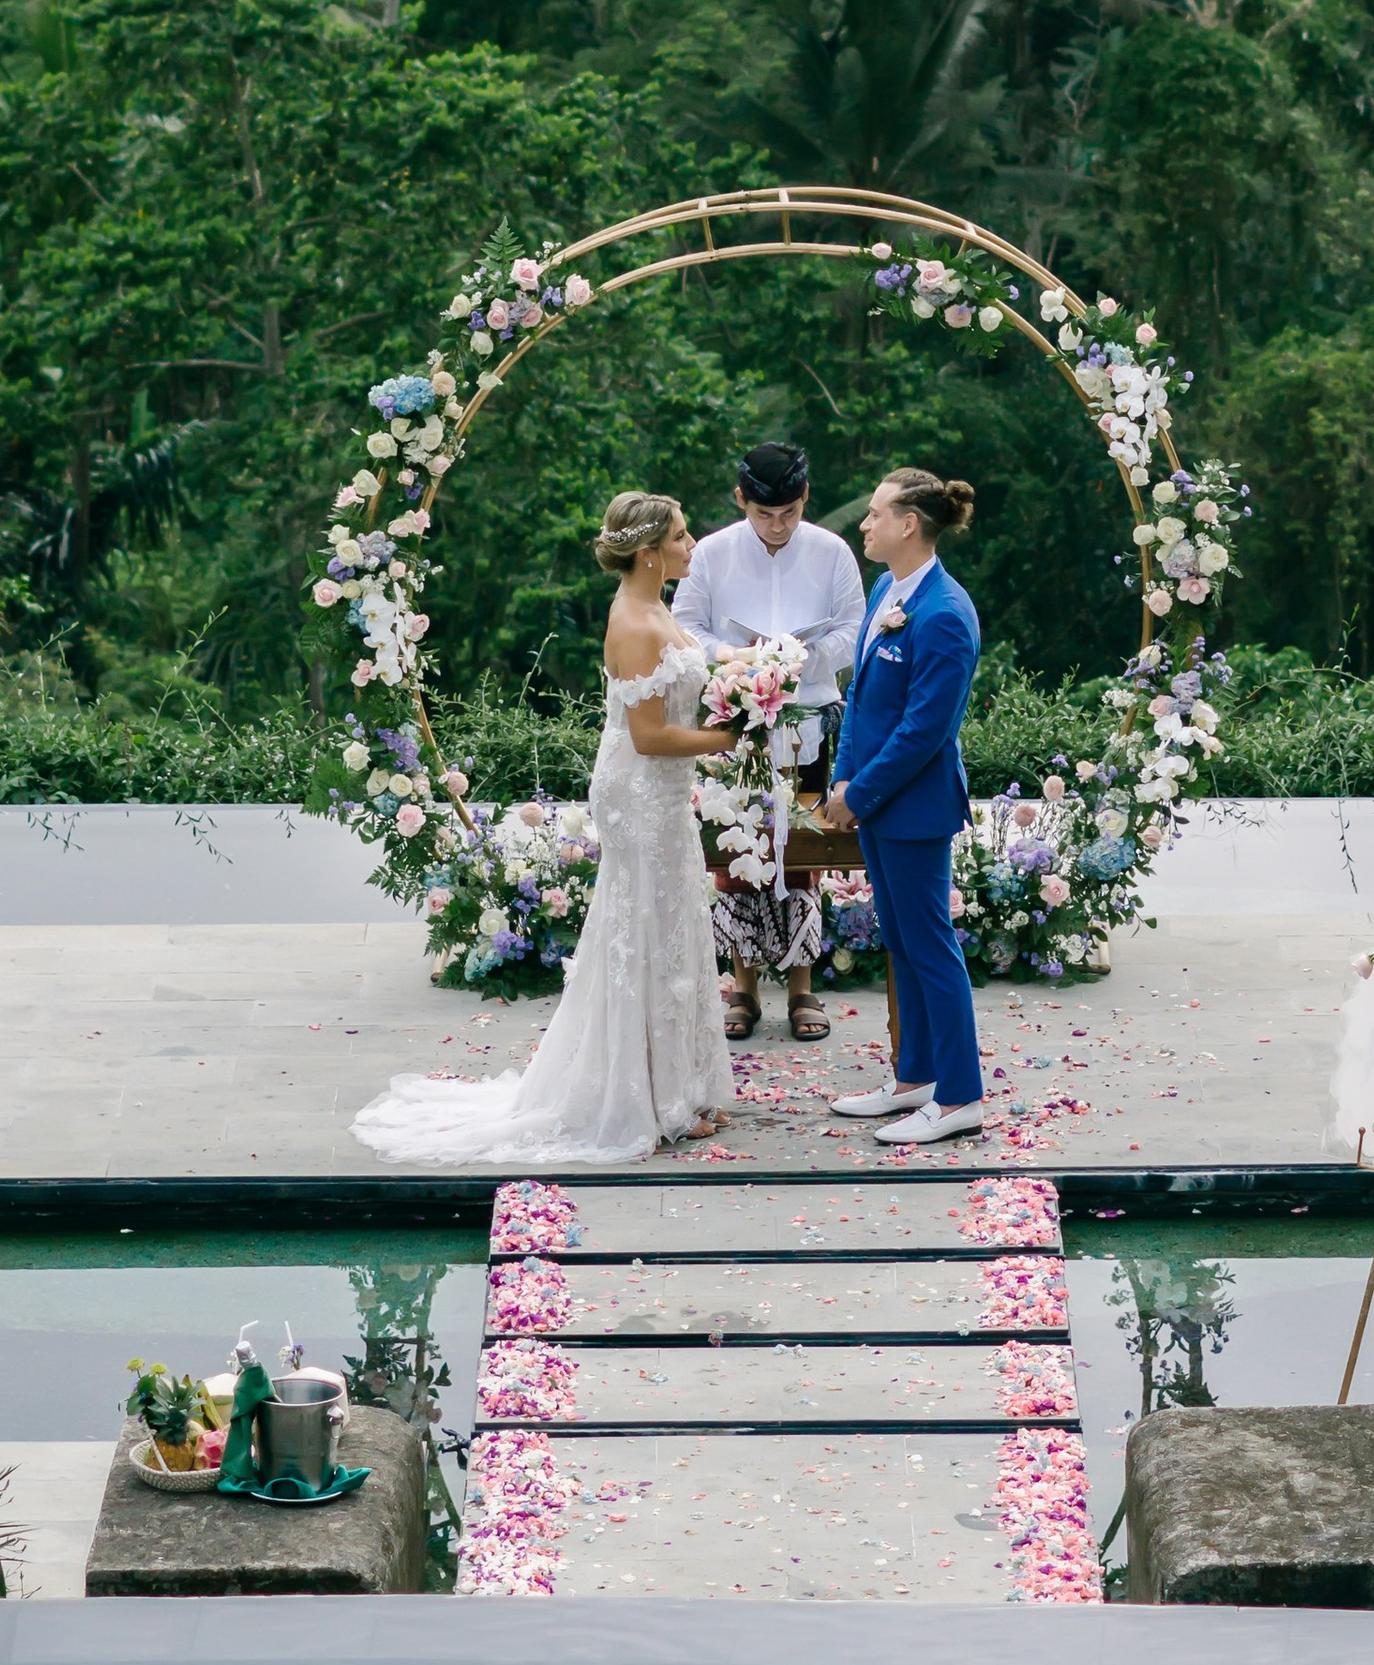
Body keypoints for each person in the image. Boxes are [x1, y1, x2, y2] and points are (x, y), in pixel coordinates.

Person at [351, 493, 741, 1166]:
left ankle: (679, 1081)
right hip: (642, 791)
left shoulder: (657, 607)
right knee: (645, 926)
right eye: (682, 535)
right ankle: (650, 1096)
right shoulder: (636, 623)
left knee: (669, 922)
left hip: (662, 794)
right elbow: (649, 737)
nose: (693, 543)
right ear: (650, 552)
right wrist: (725, 737)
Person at [672, 440, 864, 1045]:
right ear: (741, 501)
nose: (777, 527)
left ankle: (803, 985)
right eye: (763, 515)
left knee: (804, 851)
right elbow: (684, 626)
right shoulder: (713, 553)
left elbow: (856, 628)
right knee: (737, 850)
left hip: (809, 721)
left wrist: (801, 660)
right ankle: (745, 986)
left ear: (805, 499)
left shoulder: (832, 552)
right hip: (736, 723)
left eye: (789, 514)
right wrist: (736, 657)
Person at [819, 467, 986, 1147]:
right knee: (903, 946)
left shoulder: (945, 613)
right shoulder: (887, 588)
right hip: (875, 803)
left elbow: (926, 729)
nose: (864, 523)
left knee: (931, 949)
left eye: (876, 513)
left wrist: (859, 793)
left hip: (914, 811)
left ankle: (961, 1097)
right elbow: (861, 698)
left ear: (908, 524)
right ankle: (915, 1076)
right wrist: (842, 780)